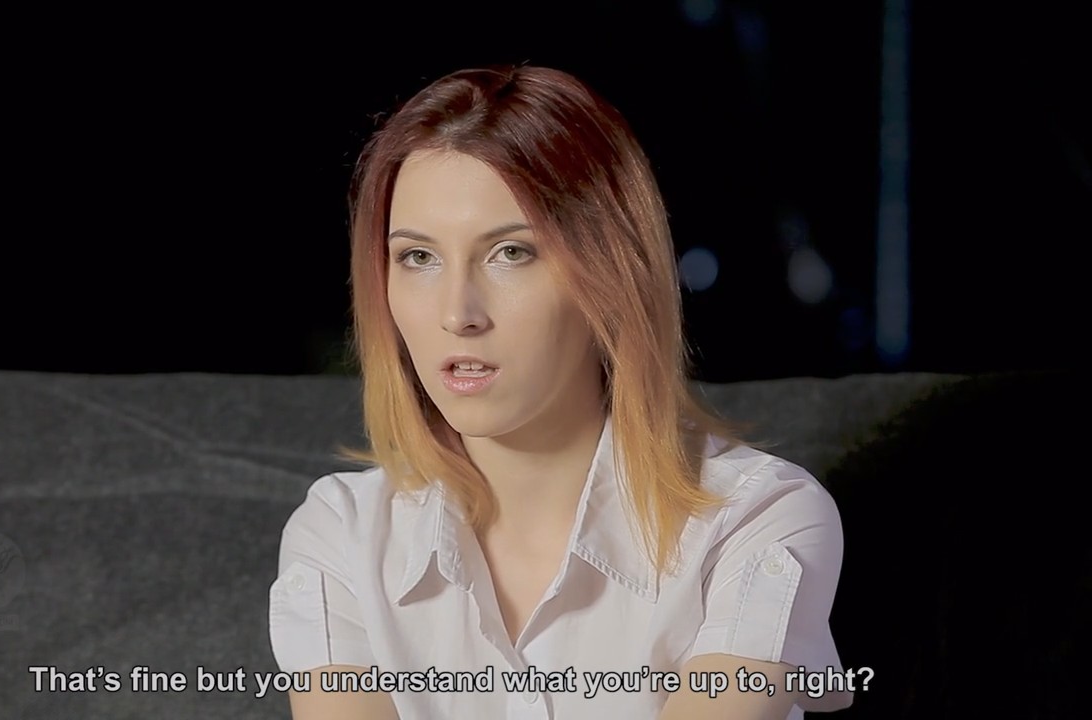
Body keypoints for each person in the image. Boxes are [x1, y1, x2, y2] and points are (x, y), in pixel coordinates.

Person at [268, 65, 853, 720]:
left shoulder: (757, 522)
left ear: (611, 273)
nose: (457, 313)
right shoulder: (343, 535)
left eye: (511, 253)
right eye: (418, 257)